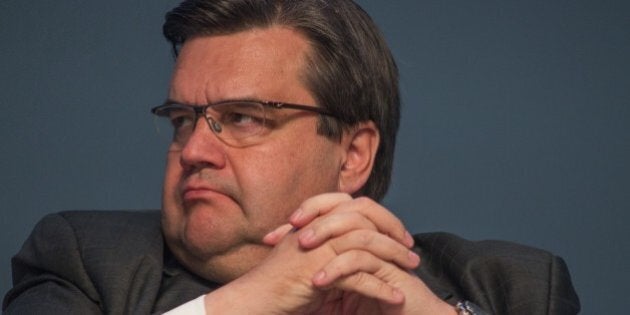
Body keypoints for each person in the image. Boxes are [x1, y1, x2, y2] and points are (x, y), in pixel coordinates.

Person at [3, 0, 580, 314]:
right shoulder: (82, 263)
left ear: (353, 153)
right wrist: (243, 307)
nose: (194, 150)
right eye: (182, 120)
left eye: (245, 117)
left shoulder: (513, 288)